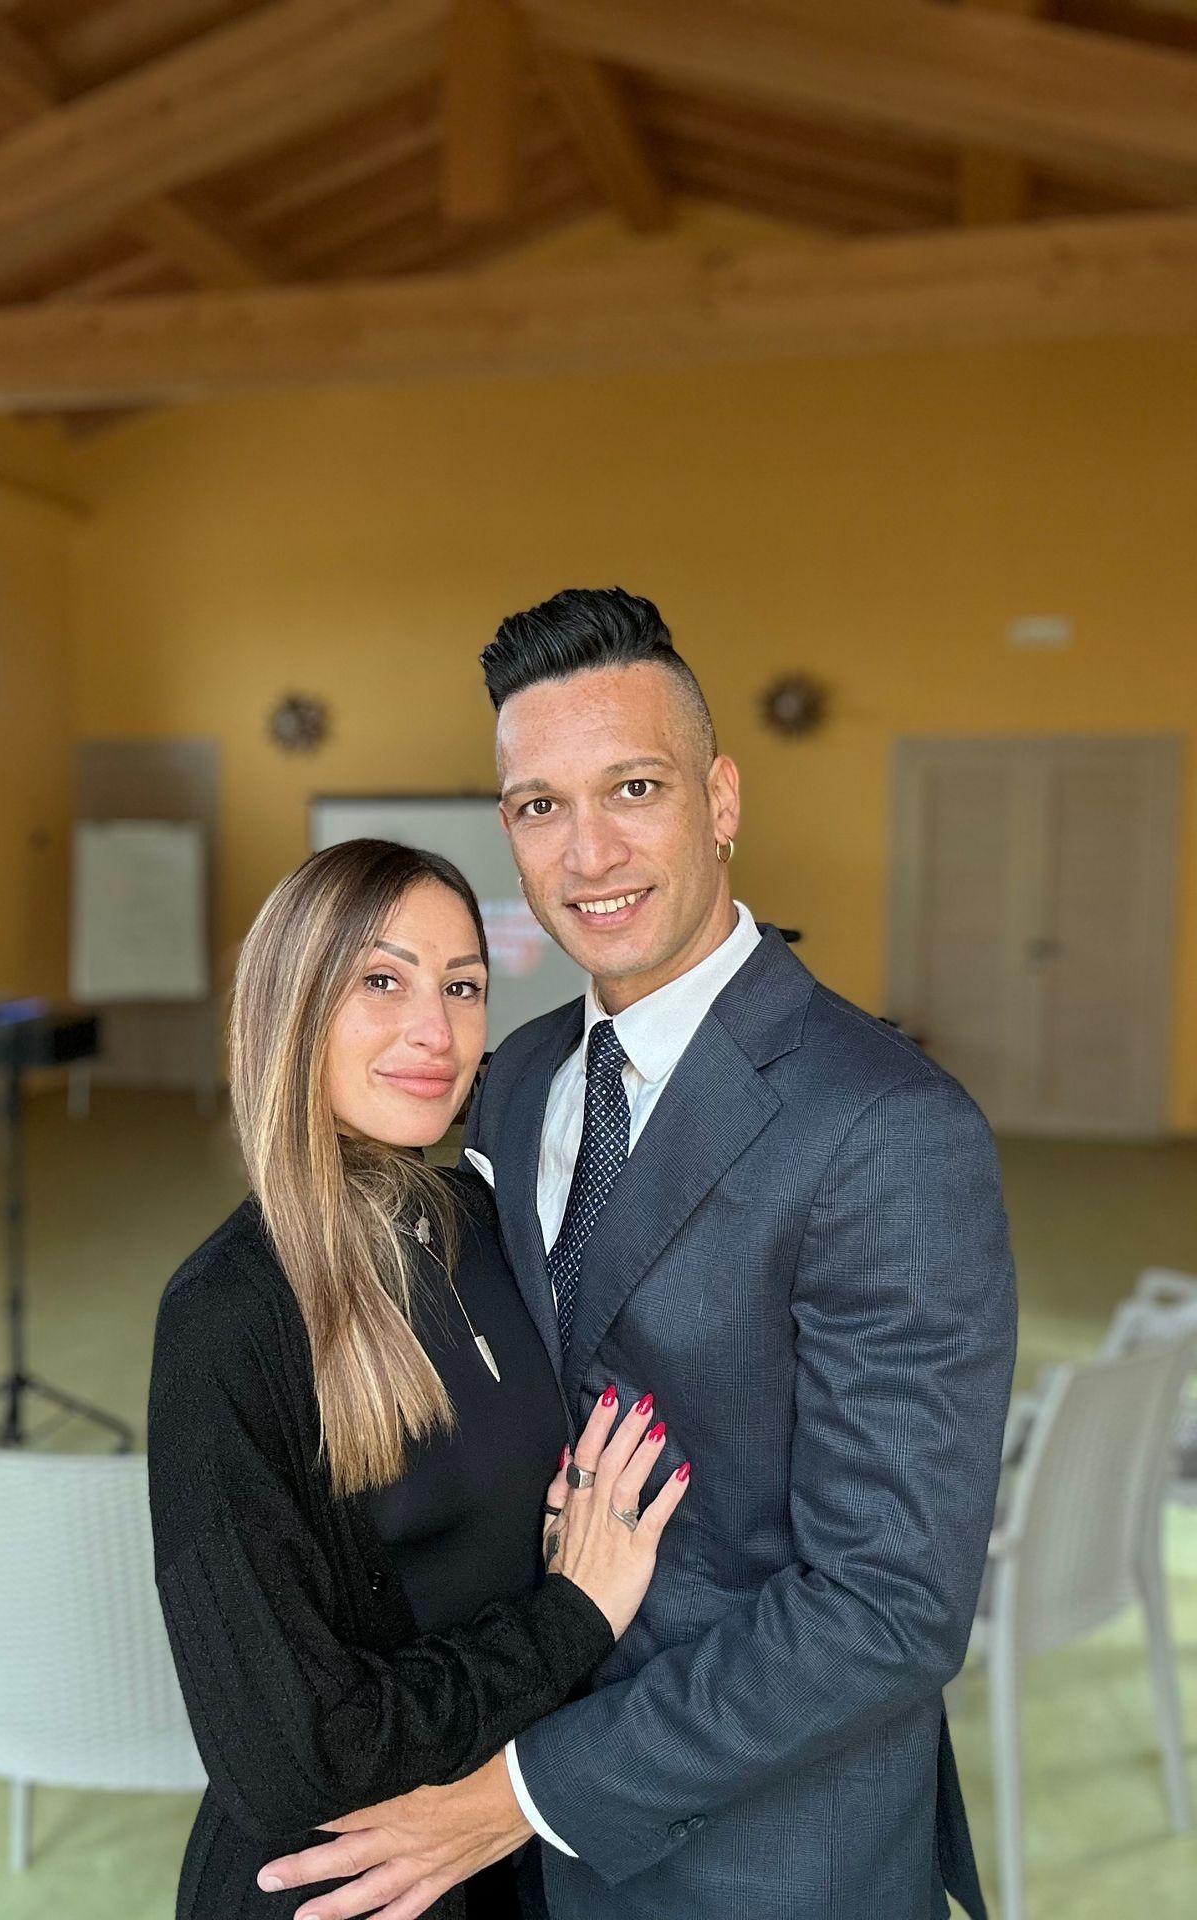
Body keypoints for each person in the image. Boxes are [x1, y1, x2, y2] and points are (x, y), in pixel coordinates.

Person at [258, 590, 1018, 1920]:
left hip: (767, 1852)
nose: (588, 848)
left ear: (720, 799)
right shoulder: (514, 1078)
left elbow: (890, 1601)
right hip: (507, 1811)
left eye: (634, 786)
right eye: (540, 805)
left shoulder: (887, 1127)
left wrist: (524, 1792)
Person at [147, 836, 690, 1920]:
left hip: (511, 1854)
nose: (434, 1032)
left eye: (463, 987)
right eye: (381, 981)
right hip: (343, 1893)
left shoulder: (480, 1225)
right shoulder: (229, 1319)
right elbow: (294, 1758)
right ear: (291, 1006)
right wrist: (571, 1613)